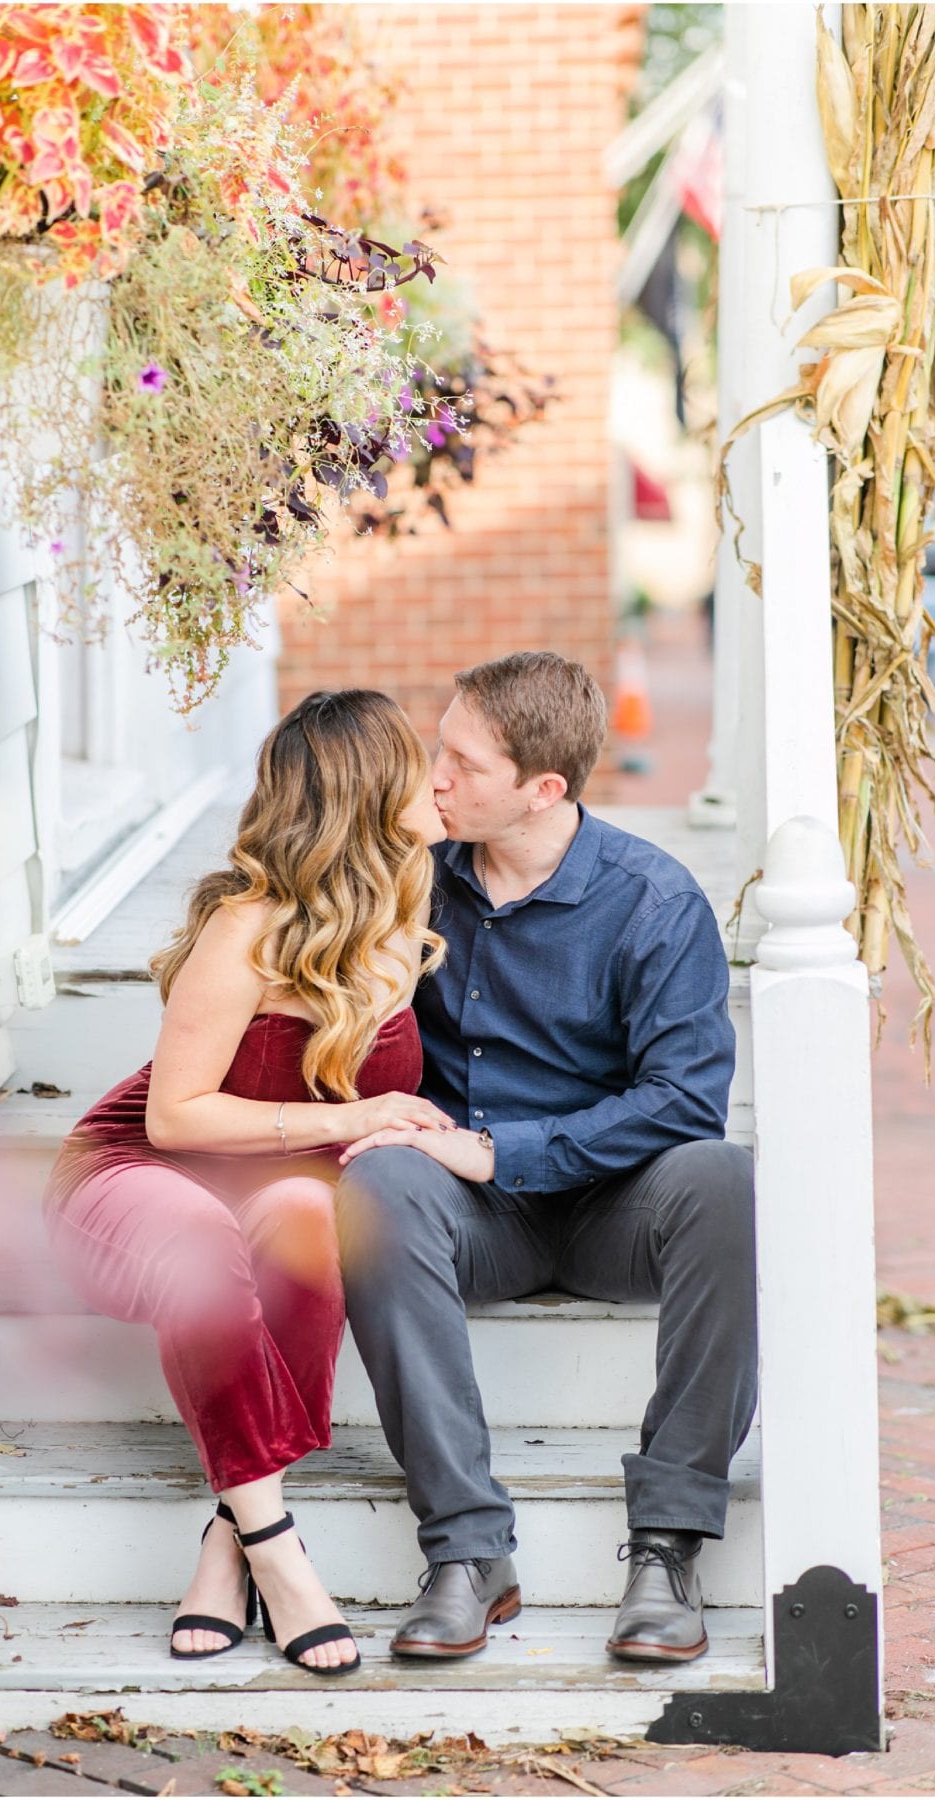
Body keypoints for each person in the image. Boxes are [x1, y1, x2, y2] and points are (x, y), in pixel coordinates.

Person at [335, 651, 757, 1665]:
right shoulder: (414, 882)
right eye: (437, 750)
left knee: (722, 1178)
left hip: (613, 1208)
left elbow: (683, 1100)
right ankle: (466, 1553)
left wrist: (501, 1149)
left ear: (543, 789)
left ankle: (665, 1546)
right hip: (476, 1218)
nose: (433, 778)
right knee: (377, 1183)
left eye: (461, 765)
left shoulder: (652, 901)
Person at [42, 690, 453, 1676]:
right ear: (369, 795)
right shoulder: (247, 927)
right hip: (143, 1175)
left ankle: (225, 1539)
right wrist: (352, 1119)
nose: (439, 780)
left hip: (275, 1187)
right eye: (419, 762)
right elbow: (173, 1116)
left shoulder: (408, 899)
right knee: (200, 1240)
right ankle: (277, 1550)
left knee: (313, 1215)